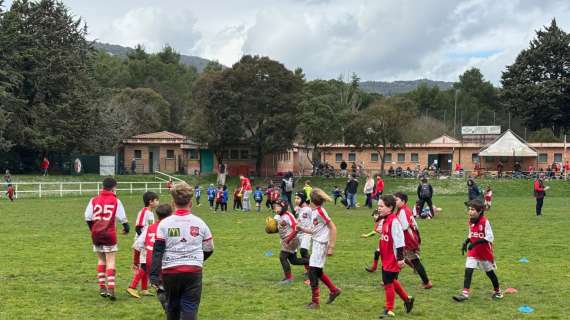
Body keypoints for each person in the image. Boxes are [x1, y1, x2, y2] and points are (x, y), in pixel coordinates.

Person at [149, 182, 214, 320]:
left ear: (173, 203)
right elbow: (209, 248)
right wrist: (197, 259)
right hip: (193, 270)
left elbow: (157, 251)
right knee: (190, 307)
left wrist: (154, 275)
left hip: (170, 271)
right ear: (191, 203)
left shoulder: (164, 224)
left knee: (172, 306)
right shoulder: (200, 223)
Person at [84, 178, 130, 300]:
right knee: (111, 260)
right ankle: (111, 288)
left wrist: (92, 229)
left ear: (103, 187)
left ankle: (102, 287)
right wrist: (126, 227)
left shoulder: (93, 200)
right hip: (109, 233)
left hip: (96, 234)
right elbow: (122, 218)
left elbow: (88, 217)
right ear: (114, 187)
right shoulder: (115, 200)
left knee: (101, 259)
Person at [296, 188, 341, 309]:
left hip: (321, 244)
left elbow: (333, 228)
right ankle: (334, 290)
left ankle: (315, 302)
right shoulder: (314, 212)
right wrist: (301, 228)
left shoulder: (321, 211)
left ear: (311, 200)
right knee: (318, 271)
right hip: (316, 243)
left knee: (312, 272)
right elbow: (314, 230)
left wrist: (331, 247)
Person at [453, 200, 503, 302]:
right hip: (474, 251)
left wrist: (475, 243)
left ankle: (498, 291)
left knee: (490, 273)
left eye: (473, 210)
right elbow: (471, 234)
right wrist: (466, 242)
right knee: (468, 269)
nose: (470, 212)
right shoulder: (470, 221)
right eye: (469, 209)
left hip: (484, 253)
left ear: (479, 211)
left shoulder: (485, 222)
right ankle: (465, 294)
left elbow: (490, 237)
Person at [376, 195, 415, 318]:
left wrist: (400, 259)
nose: (379, 208)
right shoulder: (385, 219)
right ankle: (407, 300)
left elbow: (400, 242)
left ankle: (389, 309)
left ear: (390, 207)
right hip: (385, 257)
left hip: (392, 258)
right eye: (378, 206)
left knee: (388, 282)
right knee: (392, 280)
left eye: (382, 206)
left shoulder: (394, 222)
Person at [131, 204, 172, 308]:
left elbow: (137, 245)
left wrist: (136, 262)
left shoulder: (150, 227)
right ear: (170, 215)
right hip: (166, 261)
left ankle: (162, 294)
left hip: (151, 261)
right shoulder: (171, 227)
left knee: (160, 283)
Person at [394, 192, 432, 289]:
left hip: (408, 240)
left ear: (403, 201)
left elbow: (404, 226)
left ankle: (427, 282)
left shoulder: (403, 211)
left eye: (396, 199)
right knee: (398, 258)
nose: (394, 201)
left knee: (414, 261)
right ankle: (392, 280)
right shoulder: (403, 209)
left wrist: (395, 230)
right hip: (409, 239)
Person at [127, 192, 159, 298]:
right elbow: (138, 227)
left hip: (147, 242)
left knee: (146, 264)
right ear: (150, 202)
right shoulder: (144, 212)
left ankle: (144, 289)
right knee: (145, 265)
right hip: (142, 243)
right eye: (156, 200)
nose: (157, 202)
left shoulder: (150, 213)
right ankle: (132, 287)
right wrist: (144, 240)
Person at [273, 199, 308, 284]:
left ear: (283, 207)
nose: (275, 208)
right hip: (286, 240)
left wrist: (288, 239)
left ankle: (288, 278)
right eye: (275, 206)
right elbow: (281, 228)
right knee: (294, 261)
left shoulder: (288, 215)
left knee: (282, 256)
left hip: (293, 239)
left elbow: (296, 228)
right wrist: (271, 230)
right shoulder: (278, 216)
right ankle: (311, 262)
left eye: (278, 206)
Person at [294, 191, 312, 283]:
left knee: (303, 250)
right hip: (299, 234)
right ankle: (308, 269)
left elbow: (314, 220)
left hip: (307, 233)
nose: (296, 200)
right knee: (302, 253)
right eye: (295, 198)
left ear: (303, 199)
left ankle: (312, 271)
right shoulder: (297, 209)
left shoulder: (308, 210)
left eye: (298, 198)